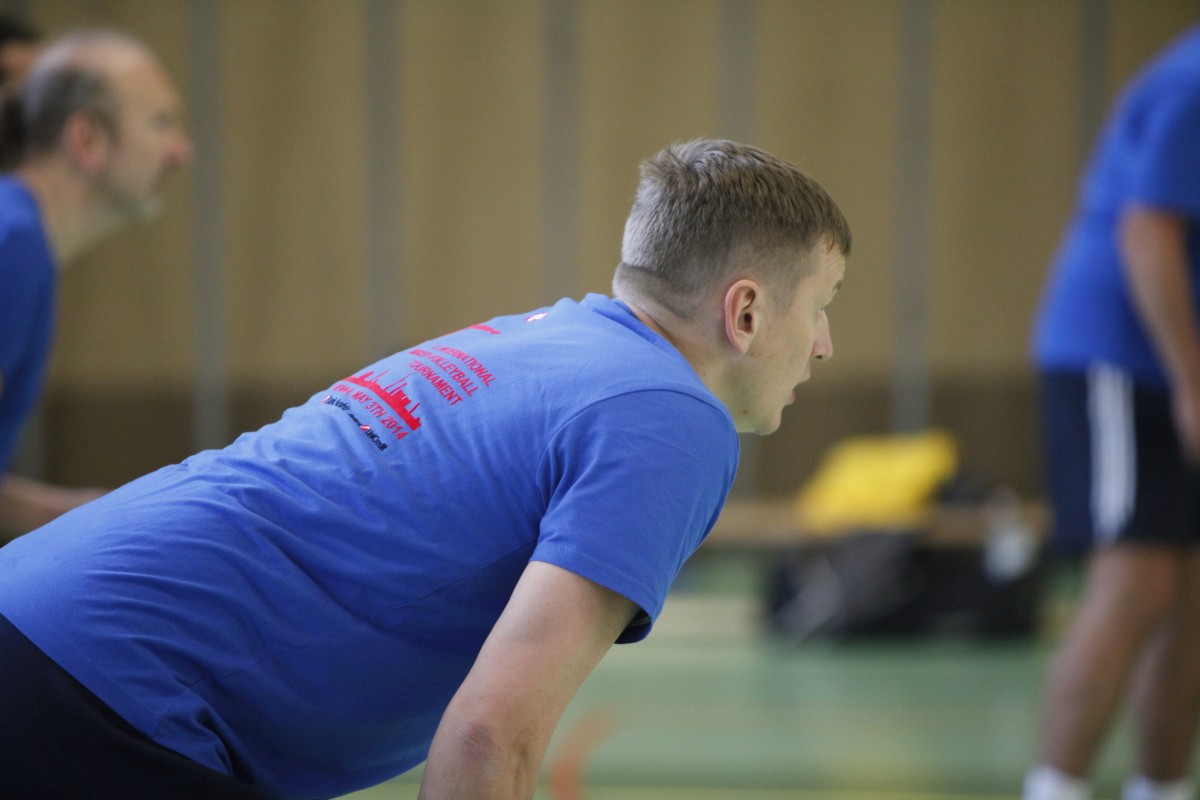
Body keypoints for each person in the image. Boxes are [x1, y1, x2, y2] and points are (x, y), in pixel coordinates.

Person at [0, 139, 849, 799]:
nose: (823, 345)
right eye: (820, 306)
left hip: (39, 617)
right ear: (745, 311)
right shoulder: (673, 418)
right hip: (105, 691)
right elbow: (488, 736)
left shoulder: (545, 338)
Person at [1026, 23, 1200, 800]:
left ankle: (1160, 788)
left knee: (1190, 592)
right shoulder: (1192, 84)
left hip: (1175, 363)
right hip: (1120, 358)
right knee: (1138, 578)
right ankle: (1054, 787)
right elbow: (1146, 230)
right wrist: (1191, 381)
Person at [0, 29, 193, 541]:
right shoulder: (13, 245)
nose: (181, 152)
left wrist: (82, 512)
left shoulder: (20, 237)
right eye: (161, 122)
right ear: (86, 139)